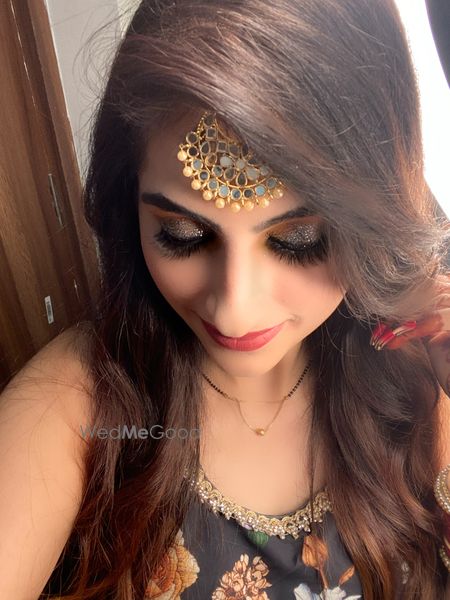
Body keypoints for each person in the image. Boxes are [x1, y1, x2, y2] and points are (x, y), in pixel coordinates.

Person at [1, 0, 450, 598]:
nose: (234, 309)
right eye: (182, 234)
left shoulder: (419, 367)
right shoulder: (78, 407)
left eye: (298, 240)